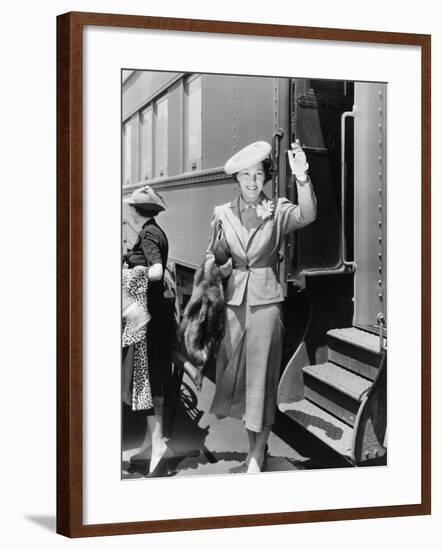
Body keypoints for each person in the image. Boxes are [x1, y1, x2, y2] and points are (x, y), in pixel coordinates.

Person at [206, 140, 317, 473]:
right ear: (237, 179)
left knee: (262, 381)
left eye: (257, 174)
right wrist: (220, 262)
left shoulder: (279, 210)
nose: (252, 182)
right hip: (234, 305)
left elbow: (308, 214)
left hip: (267, 304)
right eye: (245, 175)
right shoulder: (222, 214)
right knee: (240, 380)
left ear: (265, 177)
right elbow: (214, 259)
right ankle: (253, 450)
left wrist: (301, 176)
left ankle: (256, 455)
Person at [122, 185, 174, 477]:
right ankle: (150, 443)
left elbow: (156, 270)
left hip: (149, 317)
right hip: (153, 314)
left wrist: (126, 274)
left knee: (150, 379)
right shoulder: (153, 231)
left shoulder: (148, 234)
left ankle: (158, 446)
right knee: (148, 380)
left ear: (135, 211)